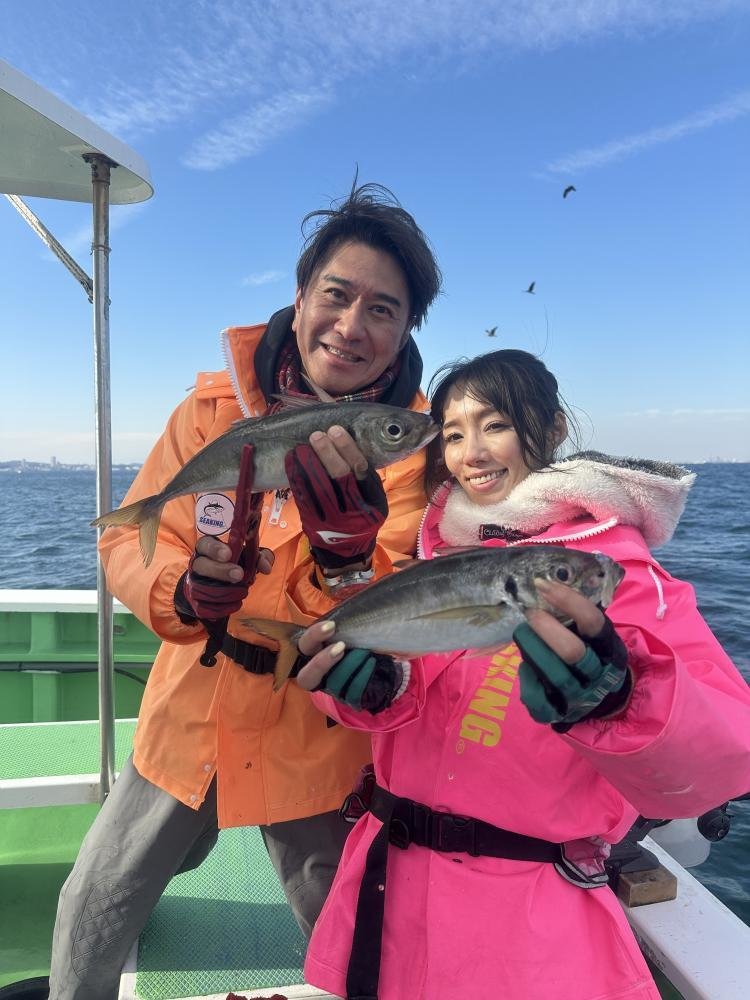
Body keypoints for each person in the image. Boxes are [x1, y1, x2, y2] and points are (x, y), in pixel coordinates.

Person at [48, 181, 442, 1000]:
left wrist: (347, 561)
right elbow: (127, 539)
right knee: (90, 908)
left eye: (383, 309)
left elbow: (406, 609)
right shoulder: (209, 410)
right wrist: (181, 595)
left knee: (349, 942)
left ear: (406, 329)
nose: (352, 325)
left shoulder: (412, 449)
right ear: (300, 299)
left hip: (314, 736)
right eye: (337, 294)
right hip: (191, 711)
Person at [295, 348, 750, 1000]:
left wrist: (622, 698)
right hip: (386, 897)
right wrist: (369, 691)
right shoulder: (439, 557)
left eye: (495, 424)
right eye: (454, 434)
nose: (471, 452)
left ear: (553, 427)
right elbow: (408, 707)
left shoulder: (614, 573)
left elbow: (727, 754)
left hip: (525, 925)